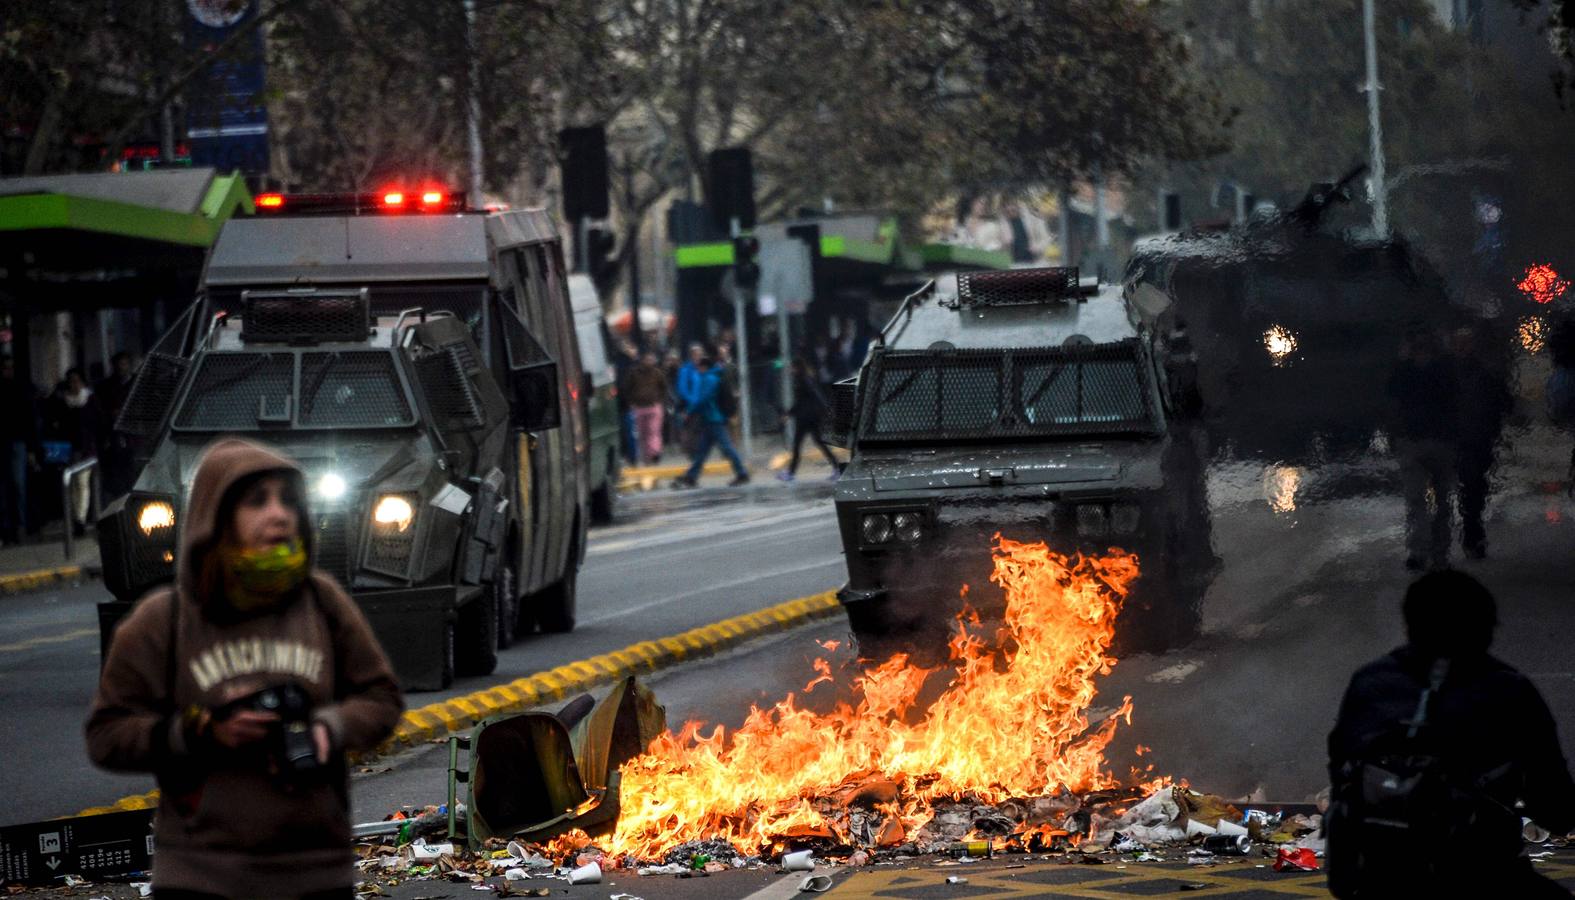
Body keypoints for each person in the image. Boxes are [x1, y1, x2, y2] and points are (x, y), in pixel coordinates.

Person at [86, 438, 404, 899]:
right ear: (217, 516)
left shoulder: (321, 601)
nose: (280, 515)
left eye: (289, 501)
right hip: (201, 877)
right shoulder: (165, 620)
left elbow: (382, 699)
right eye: (257, 502)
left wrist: (328, 728)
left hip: (314, 873)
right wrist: (200, 732)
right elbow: (107, 735)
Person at [1326, 570, 1575, 897]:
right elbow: (1555, 809)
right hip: (1477, 877)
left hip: (1375, 878)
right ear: (1484, 629)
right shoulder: (1509, 691)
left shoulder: (1369, 681)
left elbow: (1341, 769)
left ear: (1410, 625)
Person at [1386, 329, 1458, 570]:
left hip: (1417, 441)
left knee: (1418, 500)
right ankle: (1438, 552)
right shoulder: (1444, 371)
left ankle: (1421, 550)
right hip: (1437, 441)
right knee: (1438, 501)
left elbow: (1392, 405)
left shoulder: (1402, 373)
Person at [1450, 327, 1511, 559]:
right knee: (1471, 486)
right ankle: (1472, 532)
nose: (1462, 348)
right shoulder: (1452, 374)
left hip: (1476, 437)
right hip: (1465, 438)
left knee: (1473, 487)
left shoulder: (1483, 374)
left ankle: (1472, 531)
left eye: (1465, 343)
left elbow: (1502, 401)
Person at [671, 354, 749, 488]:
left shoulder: (710, 379)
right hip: (709, 419)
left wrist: (689, 412)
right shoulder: (710, 377)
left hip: (714, 419)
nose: (697, 370)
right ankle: (691, 477)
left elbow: (703, 399)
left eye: (699, 367)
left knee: (727, 448)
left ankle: (742, 474)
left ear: (704, 367)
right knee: (702, 451)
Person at [778, 356, 840, 482]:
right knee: (819, 442)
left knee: (798, 445)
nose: (790, 370)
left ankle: (791, 473)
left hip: (805, 418)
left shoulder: (802, 380)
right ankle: (837, 467)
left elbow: (801, 401)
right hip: (812, 416)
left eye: (791, 367)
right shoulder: (807, 379)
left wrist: (788, 414)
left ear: (796, 367)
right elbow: (814, 397)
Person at [0, 356, 39, 544]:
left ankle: (18, 525)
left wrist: (31, 447)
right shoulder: (18, 390)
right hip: (11, 440)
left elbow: (28, 420)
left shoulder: (20, 390)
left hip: (16, 440)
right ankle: (10, 526)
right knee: (9, 486)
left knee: (17, 485)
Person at [96, 352, 139, 499]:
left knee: (131, 468)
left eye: (124, 364)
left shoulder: (137, 383)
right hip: (113, 434)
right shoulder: (106, 386)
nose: (122, 367)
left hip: (133, 433)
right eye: (119, 364)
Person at [622, 350, 668, 464]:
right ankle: (646, 457)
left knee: (653, 431)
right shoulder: (634, 373)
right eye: (647, 359)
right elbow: (627, 388)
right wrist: (631, 402)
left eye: (651, 360)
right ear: (642, 360)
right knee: (642, 434)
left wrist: (660, 400)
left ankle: (655, 453)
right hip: (638, 407)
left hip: (654, 406)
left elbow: (664, 388)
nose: (649, 362)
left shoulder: (658, 373)